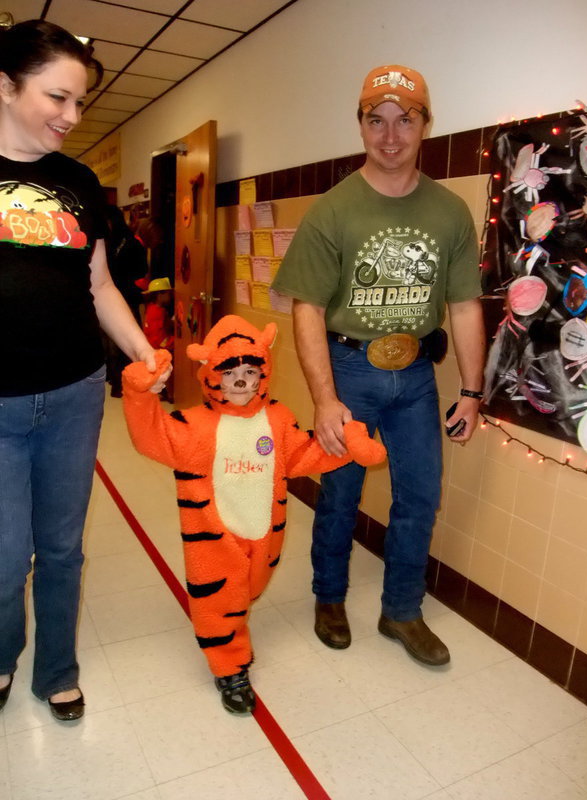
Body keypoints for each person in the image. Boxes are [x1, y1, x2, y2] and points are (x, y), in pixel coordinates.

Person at [271, 64, 486, 666]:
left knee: (420, 495)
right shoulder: (332, 211)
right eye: (377, 120)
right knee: (340, 493)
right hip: (351, 374)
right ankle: (329, 597)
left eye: (405, 120)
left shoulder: (448, 212)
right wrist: (324, 397)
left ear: (424, 126)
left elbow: (466, 305)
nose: (390, 136)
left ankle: (401, 610)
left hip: (416, 376)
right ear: (361, 124)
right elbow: (308, 309)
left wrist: (472, 391)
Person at [0, 19, 169, 722]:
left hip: (72, 393)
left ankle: (57, 669)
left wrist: (142, 351)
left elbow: (100, 286)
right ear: (5, 87)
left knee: (63, 547)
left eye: (80, 102)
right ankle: (3, 654)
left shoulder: (78, 181)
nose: (71, 117)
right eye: (56, 97)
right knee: (6, 559)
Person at [121, 314, 386, 714]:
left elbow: (303, 454)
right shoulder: (193, 425)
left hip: (264, 536)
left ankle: (231, 626)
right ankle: (230, 667)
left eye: (250, 371)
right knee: (220, 603)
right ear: (210, 374)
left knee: (247, 591)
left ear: (265, 372)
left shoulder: (277, 419)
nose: (241, 381)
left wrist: (348, 444)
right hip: (213, 539)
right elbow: (151, 436)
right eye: (230, 373)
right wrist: (140, 394)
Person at [103, 204, 148, 396]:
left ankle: (124, 382)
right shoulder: (108, 241)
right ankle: (115, 379)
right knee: (109, 344)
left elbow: (141, 269)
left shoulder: (129, 242)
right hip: (108, 299)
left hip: (126, 297)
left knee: (123, 343)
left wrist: (122, 277)